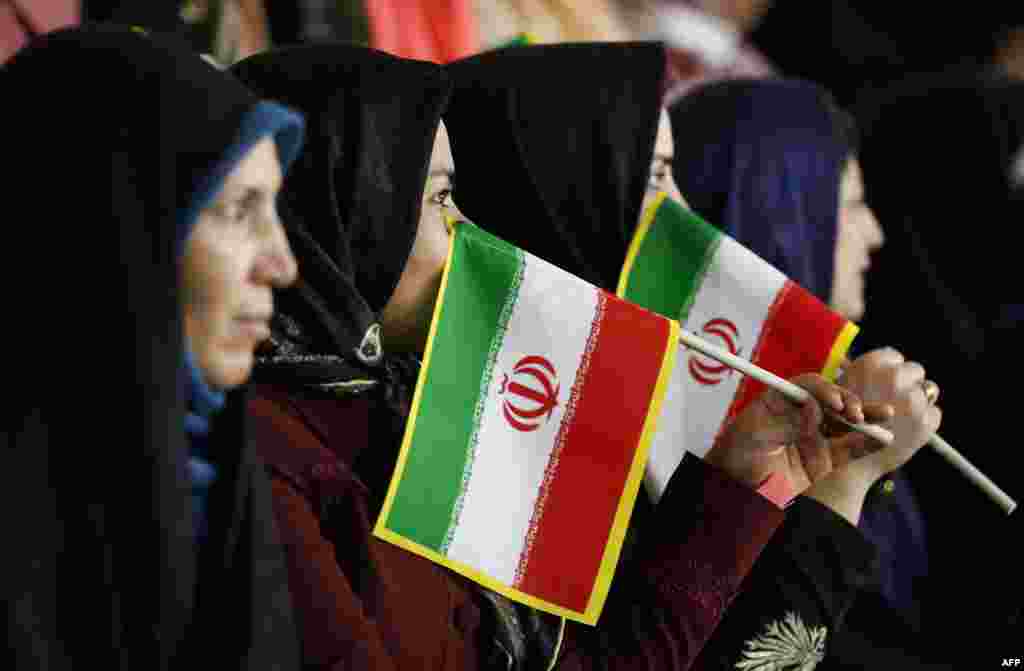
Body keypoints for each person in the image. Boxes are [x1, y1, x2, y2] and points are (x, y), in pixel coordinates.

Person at [231, 41, 871, 670]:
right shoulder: (283, 458)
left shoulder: (392, 407)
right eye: (439, 198)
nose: (686, 219)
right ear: (353, 206)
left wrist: (742, 480)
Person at [444, 41, 941, 669]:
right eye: (654, 178)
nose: (686, 217)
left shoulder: (631, 396)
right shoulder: (481, 433)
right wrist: (841, 488)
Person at [4, 24, 304, 669]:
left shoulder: (222, 474)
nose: (283, 265)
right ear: (112, 232)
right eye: (239, 209)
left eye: (275, 210)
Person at [668, 77, 953, 668]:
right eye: (849, 204)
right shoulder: (706, 425)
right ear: (783, 210)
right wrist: (851, 477)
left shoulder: (830, 386)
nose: (874, 232)